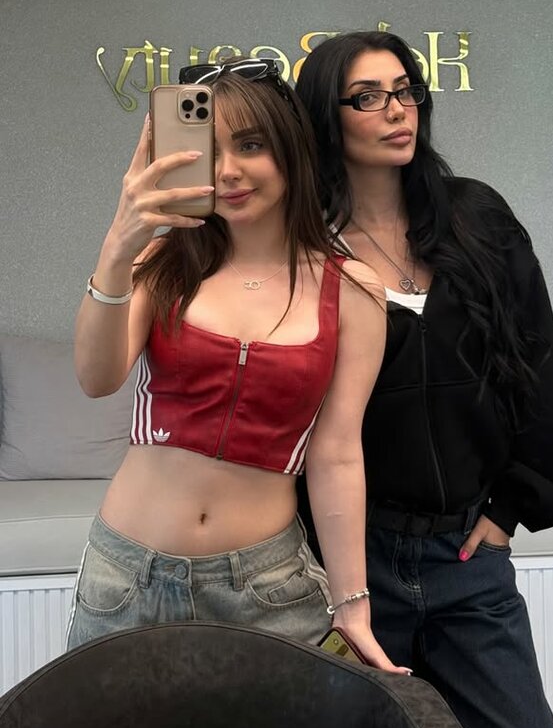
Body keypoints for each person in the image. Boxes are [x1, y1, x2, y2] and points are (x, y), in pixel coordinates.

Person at [295, 31, 553, 728]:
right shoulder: (306, 248)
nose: (397, 110)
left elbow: (534, 364)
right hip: (354, 559)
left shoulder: (477, 220)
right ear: (326, 117)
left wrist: (512, 507)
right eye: (368, 97)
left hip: (465, 558)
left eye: (405, 91)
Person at [67, 58, 404, 672]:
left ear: (289, 150)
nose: (227, 171)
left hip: (266, 587)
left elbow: (336, 453)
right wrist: (118, 244)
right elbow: (96, 378)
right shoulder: (161, 264)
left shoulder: (352, 289)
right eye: (208, 150)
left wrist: (353, 607)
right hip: (125, 577)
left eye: (250, 145)